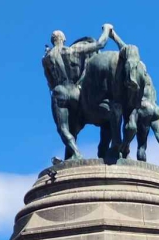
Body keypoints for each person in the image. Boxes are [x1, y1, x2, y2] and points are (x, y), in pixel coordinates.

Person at [43, 24, 114, 159]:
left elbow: (50, 82)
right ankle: (71, 156)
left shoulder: (46, 59)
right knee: (76, 126)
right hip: (75, 92)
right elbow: (100, 44)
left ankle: (76, 153)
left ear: (53, 41)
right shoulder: (72, 50)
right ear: (63, 39)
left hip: (59, 92)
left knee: (64, 128)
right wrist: (106, 30)